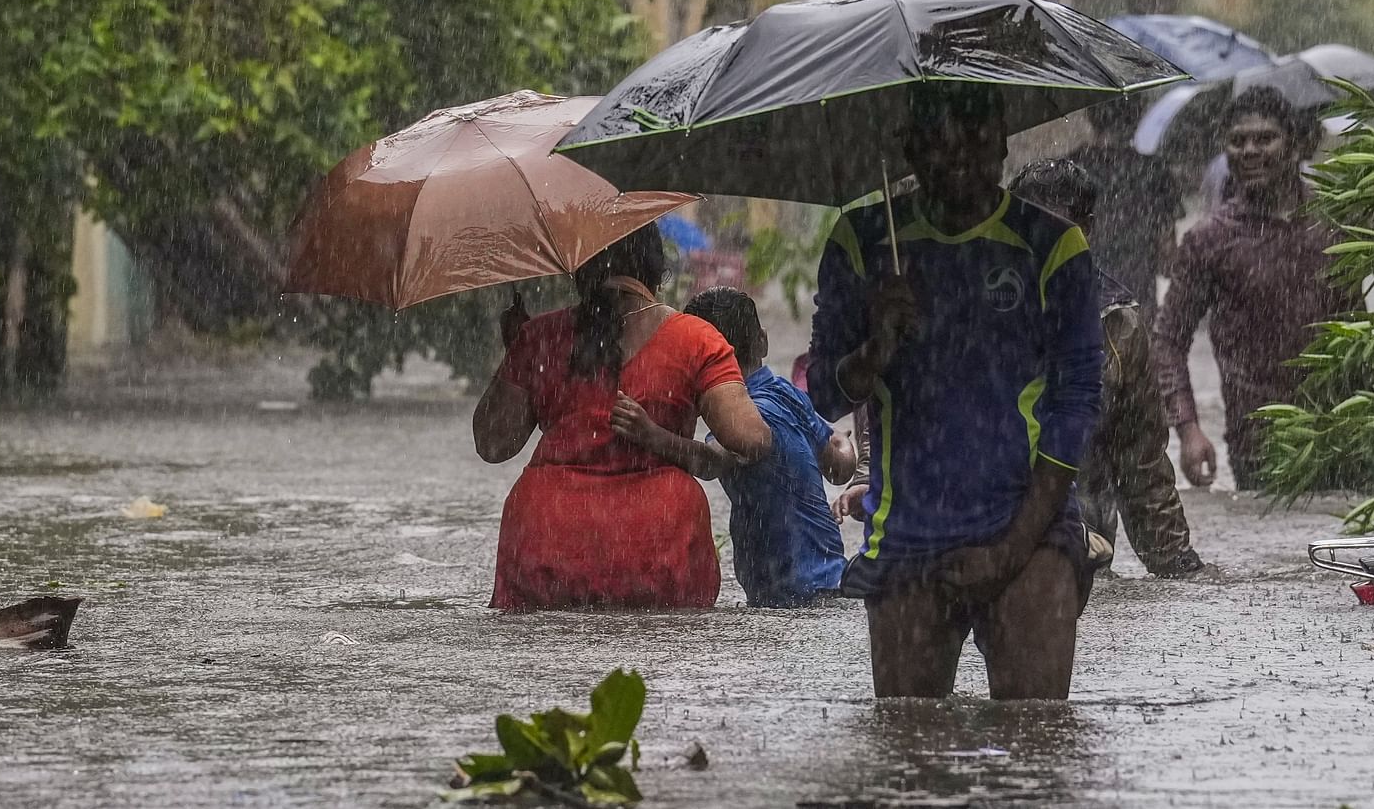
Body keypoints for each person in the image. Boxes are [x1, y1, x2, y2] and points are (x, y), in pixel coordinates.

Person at [807, 81, 1103, 701]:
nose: (959, 158)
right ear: (909, 149)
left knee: (1037, 744)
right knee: (905, 750)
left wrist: (1011, 549)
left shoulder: (1052, 246)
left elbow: (1075, 408)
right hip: (906, 538)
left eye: (975, 139)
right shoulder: (863, 242)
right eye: (938, 144)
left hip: (1029, 534)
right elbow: (825, 396)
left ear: (1002, 141)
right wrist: (877, 346)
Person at [473, 224, 773, 611]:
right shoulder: (696, 339)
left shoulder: (541, 337)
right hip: (657, 538)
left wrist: (518, 352)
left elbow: (493, 444)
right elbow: (751, 438)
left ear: (580, 267)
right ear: (656, 268)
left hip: (548, 536)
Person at [1152, 87, 1374, 490]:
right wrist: (1188, 430)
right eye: (1238, 140)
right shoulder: (1208, 241)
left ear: (1295, 145)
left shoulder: (1340, 216)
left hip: (1354, 430)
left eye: (1264, 138)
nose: (1249, 150)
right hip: (1263, 443)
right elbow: (1167, 340)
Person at [1008, 158, 1205, 579]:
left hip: (1081, 556)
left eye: (1056, 228)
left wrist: (1179, 567)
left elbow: (1142, 463)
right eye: (1028, 225)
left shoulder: (1118, 324)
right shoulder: (974, 308)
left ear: (1087, 229)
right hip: (988, 544)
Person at [683, 286, 857, 608]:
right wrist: (844, 441)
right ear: (762, 341)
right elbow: (839, 468)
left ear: (699, 364)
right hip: (831, 581)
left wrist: (652, 437)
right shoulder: (785, 393)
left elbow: (709, 462)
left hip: (786, 596)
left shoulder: (743, 417)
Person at [1064, 95, 1184, 324]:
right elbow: (1168, 260)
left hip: (1081, 310)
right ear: (1138, 115)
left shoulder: (1069, 170)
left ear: (1090, 115)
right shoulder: (1153, 172)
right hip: (1136, 310)